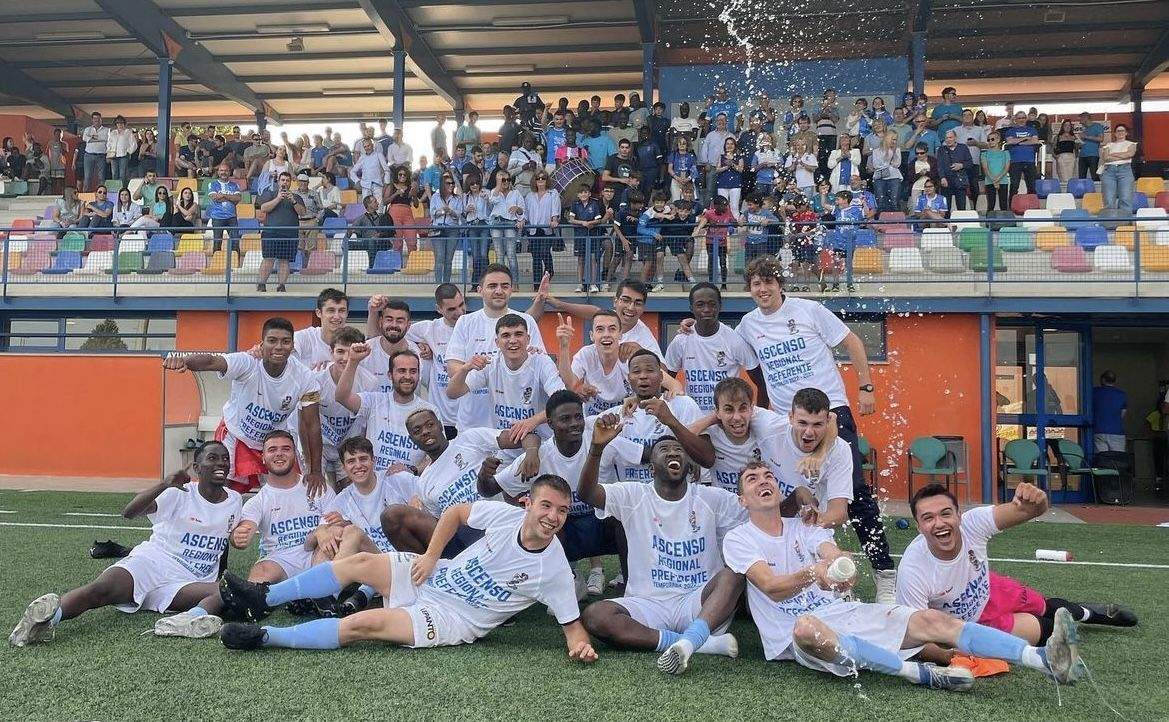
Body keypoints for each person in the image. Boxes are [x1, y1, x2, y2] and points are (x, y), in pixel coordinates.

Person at [715, 462, 1087, 687]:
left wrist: (840, 570)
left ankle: (1043, 660)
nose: (762, 481)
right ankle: (915, 673)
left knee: (931, 619)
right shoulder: (739, 538)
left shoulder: (806, 527)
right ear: (742, 499)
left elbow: (834, 555)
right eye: (751, 479)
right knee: (806, 627)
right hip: (793, 634)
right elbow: (771, 587)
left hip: (843, 614)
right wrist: (816, 572)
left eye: (767, 476)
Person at [214, 476, 598, 663]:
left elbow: (572, 627)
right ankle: (264, 596)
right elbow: (456, 513)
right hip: (434, 574)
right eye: (546, 506)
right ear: (528, 503)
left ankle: (264, 636)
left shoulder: (555, 570)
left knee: (366, 625)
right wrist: (431, 556)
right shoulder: (505, 516)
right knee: (359, 562)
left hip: (451, 618)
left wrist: (580, 647)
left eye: (562, 510)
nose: (553, 516)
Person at [735, 256, 896, 601]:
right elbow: (736, 356)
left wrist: (866, 386)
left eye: (769, 282)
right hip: (787, 420)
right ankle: (820, 576)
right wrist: (688, 327)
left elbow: (852, 341)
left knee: (853, 492)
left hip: (830, 409)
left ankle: (884, 573)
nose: (763, 289)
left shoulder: (808, 310)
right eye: (756, 284)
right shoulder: (747, 325)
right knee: (792, 496)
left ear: (780, 284)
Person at [10, 442, 242, 647]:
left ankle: (185, 621)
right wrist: (164, 484)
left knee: (227, 591)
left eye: (225, 459)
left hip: (189, 580)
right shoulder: (178, 494)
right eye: (212, 458)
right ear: (197, 466)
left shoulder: (235, 500)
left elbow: (223, 542)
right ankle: (43, 621)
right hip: (152, 563)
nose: (221, 463)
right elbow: (130, 513)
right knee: (100, 591)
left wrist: (221, 573)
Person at [576, 418, 745, 671]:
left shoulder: (712, 498)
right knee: (595, 616)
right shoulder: (634, 495)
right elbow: (587, 494)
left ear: (689, 466)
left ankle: (693, 637)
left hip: (697, 602)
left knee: (733, 575)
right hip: (648, 604)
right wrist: (597, 449)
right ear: (651, 468)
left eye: (679, 451)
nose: (673, 453)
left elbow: (758, 513)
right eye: (664, 450)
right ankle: (699, 643)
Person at [898, 483, 1137, 651]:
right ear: (919, 527)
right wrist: (950, 654)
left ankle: (1088, 613)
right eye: (928, 518)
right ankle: (1065, 624)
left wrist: (1037, 500)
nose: (939, 523)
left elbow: (1028, 510)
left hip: (990, 588)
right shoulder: (912, 571)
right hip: (969, 625)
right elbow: (918, 633)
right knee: (1045, 631)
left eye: (946, 513)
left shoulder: (973, 523)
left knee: (1044, 605)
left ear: (959, 516)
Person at [151, 431, 338, 638]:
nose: (279, 454)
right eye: (272, 450)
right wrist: (239, 536)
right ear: (263, 458)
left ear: (295, 454)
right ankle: (195, 615)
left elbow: (335, 524)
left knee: (330, 546)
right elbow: (244, 528)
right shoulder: (259, 500)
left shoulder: (317, 487)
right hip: (281, 559)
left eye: (286, 449)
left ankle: (322, 598)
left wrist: (323, 531)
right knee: (259, 573)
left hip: (315, 554)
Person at [483, 391, 643, 595]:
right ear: (550, 424)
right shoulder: (538, 456)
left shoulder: (600, 439)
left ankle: (633, 590)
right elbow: (490, 489)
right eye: (565, 419)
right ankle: (567, 580)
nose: (575, 423)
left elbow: (645, 455)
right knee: (549, 517)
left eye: (578, 417)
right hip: (565, 532)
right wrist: (484, 474)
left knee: (625, 515)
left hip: (604, 527)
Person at [163, 317, 324, 495]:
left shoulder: (304, 377)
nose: (279, 347)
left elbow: (312, 425)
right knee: (222, 493)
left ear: (292, 346)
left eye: (285, 342)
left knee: (290, 493)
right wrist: (185, 361)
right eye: (272, 341)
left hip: (271, 443)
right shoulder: (247, 363)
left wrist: (316, 470)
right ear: (262, 344)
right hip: (237, 437)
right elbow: (211, 361)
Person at [381, 408, 540, 556]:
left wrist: (531, 453)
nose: (425, 432)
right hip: (462, 539)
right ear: (412, 439)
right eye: (417, 431)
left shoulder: (469, 439)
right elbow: (439, 528)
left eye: (430, 425)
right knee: (392, 515)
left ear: (440, 425)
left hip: (494, 520)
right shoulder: (423, 484)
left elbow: (526, 435)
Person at [445, 264, 546, 429]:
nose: (499, 291)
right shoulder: (465, 322)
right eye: (492, 286)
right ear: (480, 290)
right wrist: (479, 373)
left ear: (511, 290)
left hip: (514, 422)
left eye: (504, 286)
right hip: (472, 423)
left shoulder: (526, 321)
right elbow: (452, 367)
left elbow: (539, 366)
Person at [446, 313, 565, 447]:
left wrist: (533, 421)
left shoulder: (542, 362)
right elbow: (452, 393)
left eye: (518, 334)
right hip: (505, 449)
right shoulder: (491, 364)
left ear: (528, 339)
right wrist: (464, 369)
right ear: (497, 342)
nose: (513, 340)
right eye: (506, 335)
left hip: (542, 446)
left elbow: (562, 401)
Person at [334, 344, 434, 475]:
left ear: (419, 375)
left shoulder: (429, 411)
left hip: (409, 488)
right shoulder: (374, 401)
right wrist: (353, 361)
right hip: (374, 484)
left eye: (413, 371)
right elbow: (342, 396)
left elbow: (437, 455)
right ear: (390, 375)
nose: (408, 376)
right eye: (402, 371)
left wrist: (412, 470)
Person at [663, 283, 758, 413]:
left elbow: (760, 382)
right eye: (700, 304)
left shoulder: (734, 340)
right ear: (692, 308)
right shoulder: (681, 340)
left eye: (712, 304)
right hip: (693, 417)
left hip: (725, 420)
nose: (706, 309)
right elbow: (665, 380)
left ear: (720, 306)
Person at [254, 171, 305, 292]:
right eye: (283, 180)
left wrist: (293, 201)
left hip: (290, 234)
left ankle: (281, 285)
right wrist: (278, 198)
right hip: (271, 232)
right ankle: (262, 284)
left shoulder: (296, 197)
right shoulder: (270, 194)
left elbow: (302, 212)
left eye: (287, 180)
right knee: (268, 259)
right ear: (278, 181)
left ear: (290, 183)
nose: (285, 183)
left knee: (284, 260)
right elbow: (263, 208)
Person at [522, 171, 561, 289]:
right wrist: (522, 220)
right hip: (533, 229)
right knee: (536, 257)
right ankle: (536, 284)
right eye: (538, 178)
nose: (540, 181)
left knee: (544, 252)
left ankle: (549, 272)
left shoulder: (552, 193)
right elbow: (526, 213)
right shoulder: (529, 195)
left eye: (543, 178)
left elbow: (555, 208)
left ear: (546, 180)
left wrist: (554, 220)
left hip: (547, 228)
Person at [568, 184, 606, 292]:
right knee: (581, 259)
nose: (583, 194)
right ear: (578, 195)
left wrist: (590, 223)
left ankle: (593, 284)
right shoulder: (575, 204)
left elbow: (598, 220)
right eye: (581, 192)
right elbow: (571, 220)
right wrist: (583, 223)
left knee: (593, 259)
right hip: (580, 235)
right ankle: (580, 284)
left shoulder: (594, 204)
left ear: (589, 194)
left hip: (592, 235)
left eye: (586, 192)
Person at [1003, 111, 1041, 200]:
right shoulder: (1010, 131)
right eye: (1019, 118)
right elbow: (1010, 141)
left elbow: (1034, 141)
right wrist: (1025, 138)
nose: (1021, 120)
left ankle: (1032, 207)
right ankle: (1011, 207)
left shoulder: (1032, 130)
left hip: (1030, 161)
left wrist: (1018, 142)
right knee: (1014, 186)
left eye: (1023, 118)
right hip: (1015, 161)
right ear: (1015, 120)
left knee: (1031, 186)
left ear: (1026, 119)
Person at [1100, 124, 1137, 214]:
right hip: (1109, 171)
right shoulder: (1108, 144)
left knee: (1125, 198)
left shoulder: (1131, 144)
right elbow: (1105, 158)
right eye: (1118, 131)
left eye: (1122, 131)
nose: (1120, 133)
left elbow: (1129, 154)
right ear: (1115, 134)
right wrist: (1122, 155)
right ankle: (1110, 225)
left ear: (1126, 133)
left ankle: (1125, 225)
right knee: (1108, 199)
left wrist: (1112, 154)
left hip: (1125, 171)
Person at [937, 130, 974, 212]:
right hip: (946, 181)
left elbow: (970, 163)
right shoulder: (941, 149)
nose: (948, 140)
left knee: (961, 207)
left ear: (955, 138)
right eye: (946, 138)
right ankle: (946, 224)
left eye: (950, 137)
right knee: (945, 208)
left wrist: (961, 165)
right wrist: (942, 178)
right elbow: (939, 165)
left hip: (960, 181)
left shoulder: (963, 147)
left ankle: (960, 224)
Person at [1092, 370, 1128, 452]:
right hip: (1117, 431)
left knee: (1102, 460)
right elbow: (1122, 414)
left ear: (1103, 380)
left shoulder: (1095, 392)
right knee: (1116, 460)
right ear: (1114, 381)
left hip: (1099, 430)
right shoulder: (1121, 395)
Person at [981, 131, 1010, 212]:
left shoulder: (1005, 153)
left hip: (1003, 181)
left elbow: (1006, 168)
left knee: (1004, 205)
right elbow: (985, 169)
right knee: (990, 205)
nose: (990, 141)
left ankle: (1005, 223)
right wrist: (994, 180)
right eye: (988, 140)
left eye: (992, 139)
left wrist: (997, 179)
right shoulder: (984, 154)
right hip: (989, 181)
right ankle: (989, 224)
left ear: (998, 140)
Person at [81, 111, 109, 192]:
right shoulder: (87, 129)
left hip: (101, 155)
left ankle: (102, 195)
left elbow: (107, 139)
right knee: (87, 177)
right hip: (88, 155)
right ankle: (86, 197)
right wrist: (100, 139)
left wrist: (91, 138)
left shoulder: (107, 130)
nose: (96, 120)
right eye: (94, 118)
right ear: (92, 120)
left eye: (98, 118)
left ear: (101, 120)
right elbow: (84, 138)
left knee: (101, 177)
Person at [1077, 112, 1105, 181]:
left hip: (1093, 155)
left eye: (1081, 118)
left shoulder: (1097, 126)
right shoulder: (1084, 129)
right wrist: (1079, 143)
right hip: (1082, 156)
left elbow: (1101, 139)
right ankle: (1082, 191)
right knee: (1081, 177)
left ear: (1086, 117)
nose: (1079, 121)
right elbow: (1085, 142)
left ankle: (1097, 191)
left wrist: (1086, 137)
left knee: (1094, 176)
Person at [1053, 120, 1078, 186]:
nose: (1067, 127)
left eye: (1069, 125)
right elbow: (1052, 148)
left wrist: (1075, 157)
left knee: (1071, 176)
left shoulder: (1074, 137)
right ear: (1062, 127)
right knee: (1063, 177)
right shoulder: (1058, 137)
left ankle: (1070, 192)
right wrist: (1056, 156)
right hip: (1062, 157)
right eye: (1065, 125)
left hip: (1071, 157)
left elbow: (1076, 148)